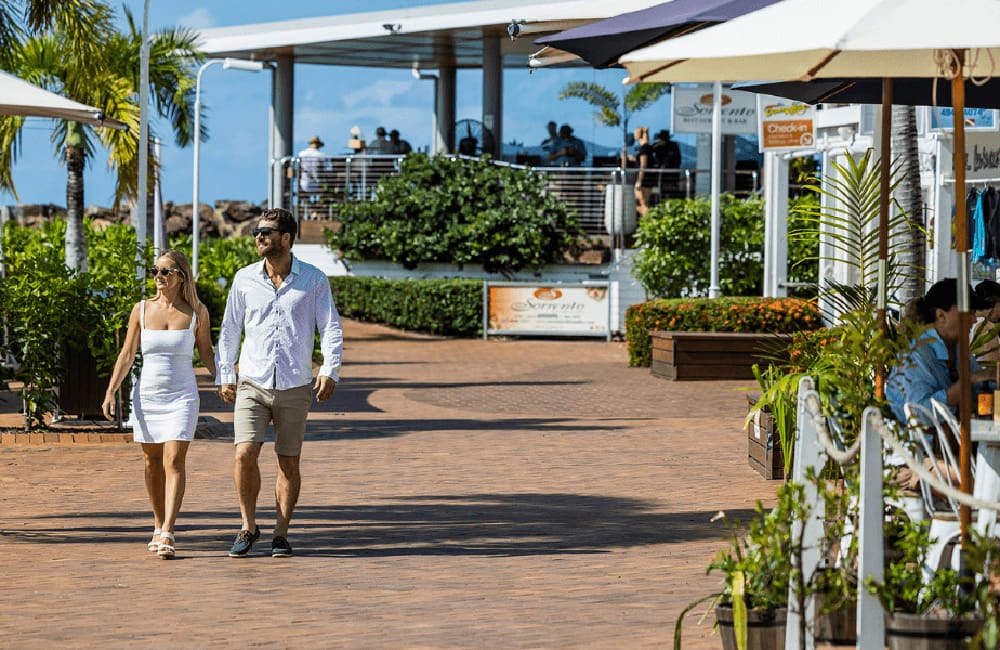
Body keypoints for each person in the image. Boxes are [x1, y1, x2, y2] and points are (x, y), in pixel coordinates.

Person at [216, 208, 344, 558]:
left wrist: (330, 369)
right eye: (257, 231)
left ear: (286, 238)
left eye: (266, 232)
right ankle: (247, 526)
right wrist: (225, 373)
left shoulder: (314, 279)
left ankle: (281, 534)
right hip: (252, 382)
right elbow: (230, 330)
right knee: (244, 453)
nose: (258, 237)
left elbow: (330, 327)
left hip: (295, 384)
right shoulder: (244, 279)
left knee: (288, 461)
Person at [101, 249, 216, 559]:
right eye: (155, 270)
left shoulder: (196, 312)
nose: (158, 276)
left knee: (174, 461)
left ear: (180, 275)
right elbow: (127, 355)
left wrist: (223, 380)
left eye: (165, 271)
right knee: (152, 463)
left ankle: (168, 530)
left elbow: (206, 353)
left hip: (182, 395)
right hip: (147, 395)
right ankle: (156, 523)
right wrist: (111, 391)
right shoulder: (141, 309)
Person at [632, 126, 656, 216]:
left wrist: (639, 181)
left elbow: (643, 165)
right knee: (643, 203)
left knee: (642, 204)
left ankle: (648, 223)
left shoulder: (644, 149)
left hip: (645, 179)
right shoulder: (647, 147)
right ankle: (647, 223)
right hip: (648, 178)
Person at [651, 129, 682, 196]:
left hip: (670, 172)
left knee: (671, 190)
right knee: (660, 190)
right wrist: (657, 145)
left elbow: (677, 159)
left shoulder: (673, 146)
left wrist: (674, 168)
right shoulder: (658, 146)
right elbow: (649, 150)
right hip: (659, 173)